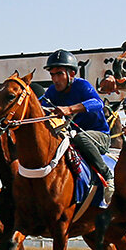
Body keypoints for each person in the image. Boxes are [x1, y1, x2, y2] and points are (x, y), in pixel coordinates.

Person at [40, 50, 114, 204]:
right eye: (52, 75)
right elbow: (38, 104)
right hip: (71, 136)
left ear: (71, 73)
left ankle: (108, 176)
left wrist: (70, 109)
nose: (55, 79)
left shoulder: (82, 86)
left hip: (99, 136)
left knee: (81, 138)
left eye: (59, 74)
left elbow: (98, 103)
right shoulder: (52, 91)